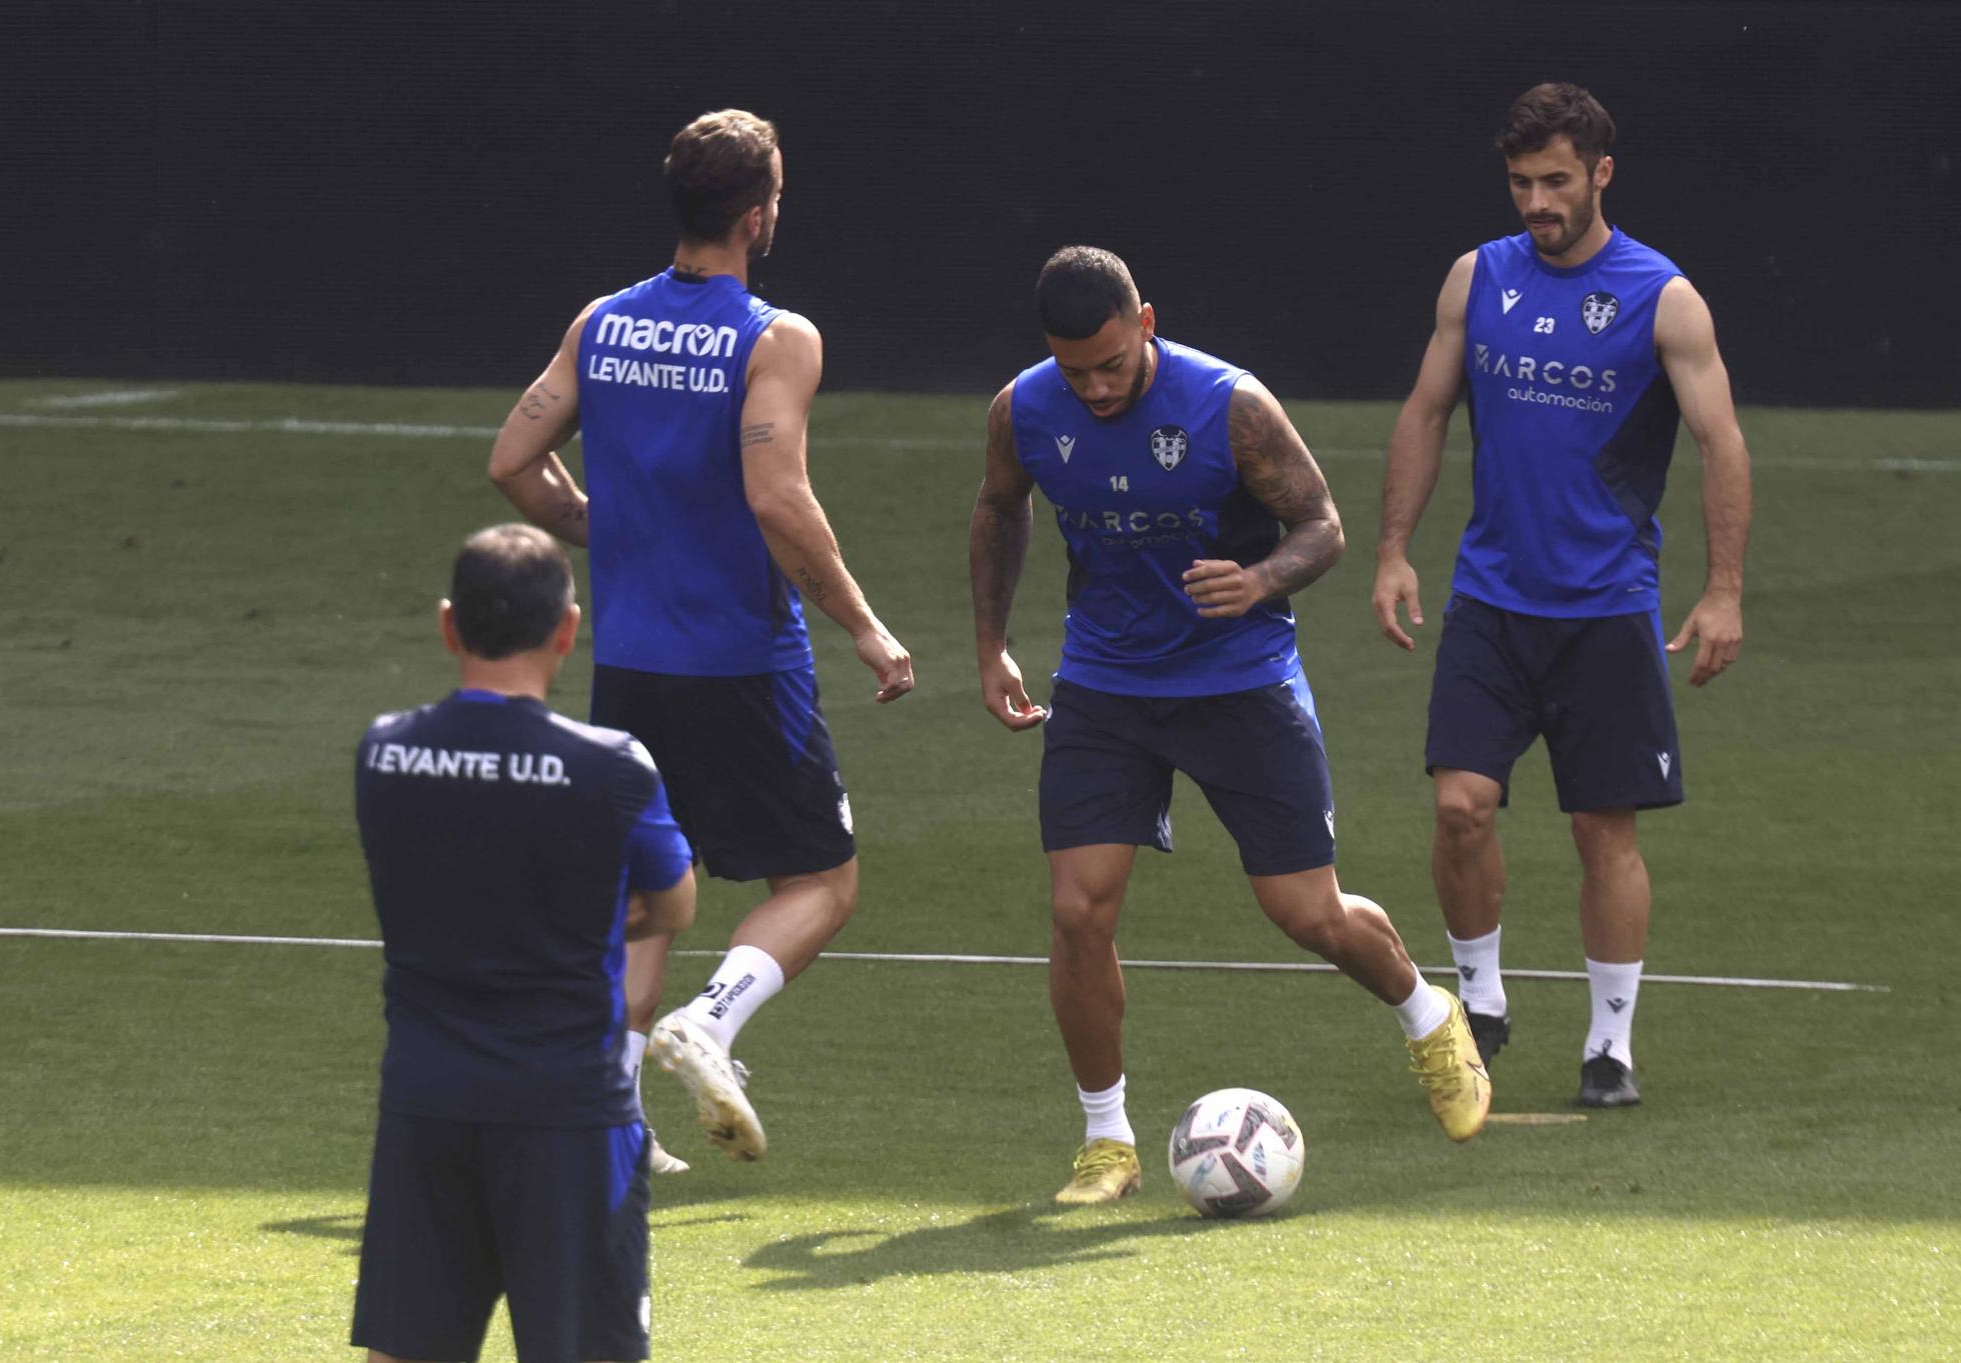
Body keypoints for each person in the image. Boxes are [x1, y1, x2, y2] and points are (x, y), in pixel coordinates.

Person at [970, 246, 1490, 1205]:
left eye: (1113, 364)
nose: (1094, 388)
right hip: (1106, 684)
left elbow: (1322, 526)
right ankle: (1106, 1141)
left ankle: (1428, 1013)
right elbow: (1002, 510)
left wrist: (1255, 582)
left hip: (1239, 680)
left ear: (1148, 324)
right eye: (1074, 369)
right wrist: (993, 642)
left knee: (1308, 914)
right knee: (1079, 910)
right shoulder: (1024, 409)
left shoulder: (1229, 405)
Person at [487, 109, 913, 1167]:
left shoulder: (601, 324)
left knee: (644, 893)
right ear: (759, 215)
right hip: (740, 665)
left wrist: (597, 524)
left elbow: (511, 462)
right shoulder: (776, 338)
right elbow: (778, 496)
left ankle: (605, 1110)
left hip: (628, 663)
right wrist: (863, 624)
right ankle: (709, 1022)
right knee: (821, 883)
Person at [1371, 83, 1753, 1108]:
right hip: (1490, 602)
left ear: (1599, 174)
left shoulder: (1661, 299)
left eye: (1552, 182)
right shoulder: (1476, 278)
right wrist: (1393, 549)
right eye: (1518, 183)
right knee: (1459, 807)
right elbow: (1424, 408)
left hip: (1605, 608)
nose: (1534, 202)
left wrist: (1721, 590)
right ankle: (1481, 1001)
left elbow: (1719, 444)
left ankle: (1609, 1046)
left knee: (1601, 833)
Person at [350, 524, 695, 1363]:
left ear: (448, 624)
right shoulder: (612, 765)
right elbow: (674, 905)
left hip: (426, 1098)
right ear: (567, 631)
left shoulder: (385, 750)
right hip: (566, 1105)